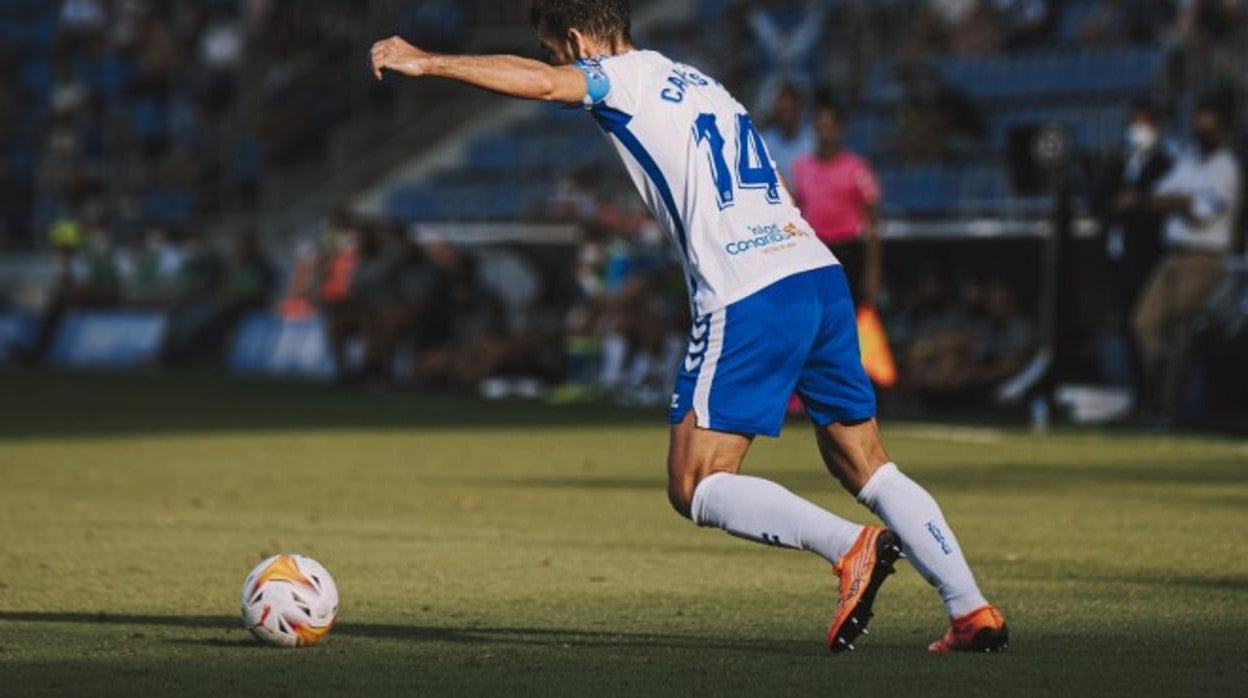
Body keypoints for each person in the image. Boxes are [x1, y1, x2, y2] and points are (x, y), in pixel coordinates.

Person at [370, 0, 1008, 654]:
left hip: (749, 291)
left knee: (697, 483)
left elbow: (539, 82)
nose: (554, 62)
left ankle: (850, 547)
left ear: (575, 39)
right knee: (865, 462)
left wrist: (428, 61)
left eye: (553, 48)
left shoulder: (618, 78)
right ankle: (970, 608)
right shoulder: (700, 82)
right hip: (817, 273)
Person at [1134, 95, 1242, 420]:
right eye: (1199, 122)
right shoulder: (1189, 161)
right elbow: (1155, 197)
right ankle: (1158, 391)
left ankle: (1168, 406)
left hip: (1204, 259)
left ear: (1222, 128)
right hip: (1173, 257)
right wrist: (1182, 202)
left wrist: (1179, 202)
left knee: (1180, 328)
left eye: (1208, 123)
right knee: (1144, 323)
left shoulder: (1227, 167)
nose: (1201, 129)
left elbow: (1203, 214)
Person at [1091, 98, 1172, 391]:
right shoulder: (1118, 163)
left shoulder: (1165, 165)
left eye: (1146, 123)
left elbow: (1158, 207)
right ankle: (1136, 389)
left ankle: (1156, 391)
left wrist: (1136, 205)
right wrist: (1119, 205)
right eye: (1136, 122)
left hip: (1149, 257)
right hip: (1118, 257)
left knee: (1147, 324)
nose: (1140, 129)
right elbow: (1097, 202)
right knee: (1126, 325)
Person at [792, 97, 885, 305]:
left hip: (849, 250)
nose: (824, 134)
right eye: (820, 128)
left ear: (839, 129)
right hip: (815, 250)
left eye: (829, 127)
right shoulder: (801, 169)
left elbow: (873, 221)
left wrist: (873, 268)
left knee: (851, 311)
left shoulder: (857, 168)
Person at [761, 82, 814, 187]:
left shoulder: (813, 141)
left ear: (799, 108)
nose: (787, 114)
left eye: (791, 109)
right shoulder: (764, 142)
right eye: (783, 110)